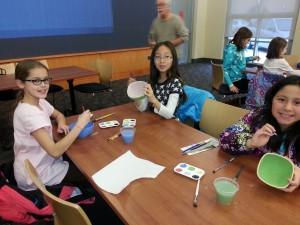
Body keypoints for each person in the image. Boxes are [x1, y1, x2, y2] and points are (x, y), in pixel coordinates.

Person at [13, 59, 92, 191]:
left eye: (46, 80)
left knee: (80, 160)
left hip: (42, 162)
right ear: (20, 83)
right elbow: (55, 152)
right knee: (89, 171)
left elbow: (58, 115)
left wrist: (61, 124)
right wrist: (79, 125)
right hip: (36, 175)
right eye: (36, 81)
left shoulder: (39, 101)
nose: (43, 85)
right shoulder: (29, 114)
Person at [220, 76, 300, 192]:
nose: (287, 108)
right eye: (281, 100)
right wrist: (250, 142)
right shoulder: (258, 116)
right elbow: (224, 138)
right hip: (251, 184)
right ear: (272, 99)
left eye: (297, 102)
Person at [223, 27, 260, 94]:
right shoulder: (230, 49)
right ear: (242, 39)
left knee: (255, 85)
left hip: (241, 77)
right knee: (255, 88)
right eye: (248, 40)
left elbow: (240, 60)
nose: (249, 42)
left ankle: (244, 101)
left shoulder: (239, 48)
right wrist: (231, 85)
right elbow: (225, 69)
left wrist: (252, 58)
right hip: (234, 81)